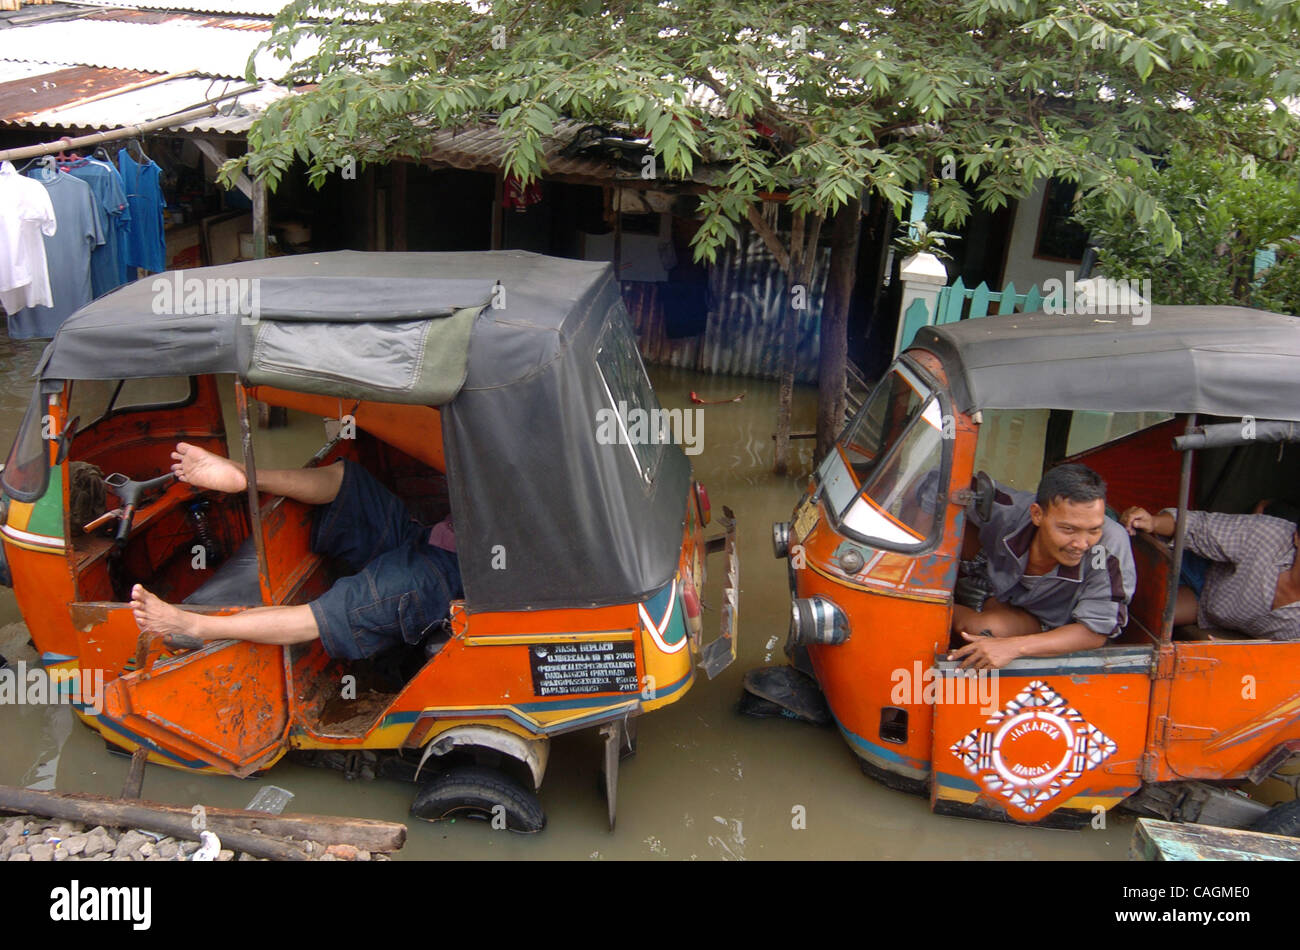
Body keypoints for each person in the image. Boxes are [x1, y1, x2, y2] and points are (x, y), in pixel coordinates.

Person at [130, 442, 461, 660]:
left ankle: (196, 627)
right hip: (436, 538)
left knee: (329, 613)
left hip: (452, 572)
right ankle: (246, 476)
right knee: (349, 481)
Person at [948, 463, 1136, 670]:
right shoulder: (1012, 509)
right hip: (992, 575)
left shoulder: (1109, 546)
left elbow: (1096, 631)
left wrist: (1013, 647)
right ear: (1037, 514)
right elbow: (939, 481)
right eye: (1068, 529)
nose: (1081, 544)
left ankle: (936, 610)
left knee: (982, 629)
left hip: (1041, 618)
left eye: (1093, 530)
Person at [1118, 504, 1300, 640]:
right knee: (1118, 564)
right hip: (1196, 562)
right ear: (1297, 538)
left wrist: (1235, 649)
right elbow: (1199, 527)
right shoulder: (1271, 535)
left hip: (1205, 606)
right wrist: (1153, 522)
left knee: (1134, 615)